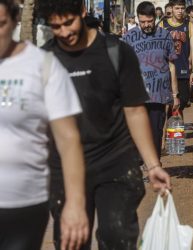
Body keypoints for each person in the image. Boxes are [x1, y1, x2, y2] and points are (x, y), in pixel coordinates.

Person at [37, 0, 171, 249]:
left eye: (69, 22)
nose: (65, 33)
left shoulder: (117, 52)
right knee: (71, 242)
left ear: (83, 11)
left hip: (115, 162)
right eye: (56, 27)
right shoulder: (44, 60)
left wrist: (152, 165)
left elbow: (134, 111)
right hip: (64, 168)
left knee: (116, 236)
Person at [0, 0, 89, 250]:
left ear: (16, 19)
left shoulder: (43, 66)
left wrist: (75, 203)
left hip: (24, 205)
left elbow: (69, 140)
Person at [123, 1, 179, 159]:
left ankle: (155, 165)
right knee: (135, 132)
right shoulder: (129, 37)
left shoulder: (165, 35)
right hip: (136, 95)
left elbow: (172, 66)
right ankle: (142, 162)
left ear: (155, 17)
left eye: (149, 21)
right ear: (137, 19)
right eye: (143, 22)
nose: (146, 25)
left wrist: (175, 95)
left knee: (155, 132)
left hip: (159, 95)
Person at [160, 0, 193, 116]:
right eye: (177, 8)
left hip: (183, 70)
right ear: (171, 8)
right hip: (166, 70)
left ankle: (175, 128)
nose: (180, 11)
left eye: (182, 8)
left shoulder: (189, 25)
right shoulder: (163, 25)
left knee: (183, 101)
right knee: (166, 104)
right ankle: (170, 130)